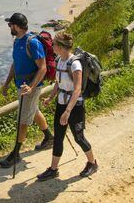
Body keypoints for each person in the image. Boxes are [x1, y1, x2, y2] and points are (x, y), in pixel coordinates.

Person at [37, 31, 98, 181]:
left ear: (61, 46)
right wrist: (51, 98)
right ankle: (53, 169)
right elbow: (58, 82)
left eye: (54, 44)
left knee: (79, 137)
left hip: (74, 106)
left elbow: (77, 89)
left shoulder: (75, 64)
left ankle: (92, 163)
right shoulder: (59, 60)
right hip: (61, 103)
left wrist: (67, 111)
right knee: (58, 137)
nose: (52, 46)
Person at [0, 13, 53, 168]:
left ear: (16, 26)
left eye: (10, 25)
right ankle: (49, 138)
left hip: (30, 87)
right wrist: (7, 83)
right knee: (33, 111)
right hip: (21, 86)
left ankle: (16, 154)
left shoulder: (33, 42)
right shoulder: (17, 41)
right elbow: (15, 64)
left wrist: (31, 87)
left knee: (23, 120)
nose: (9, 27)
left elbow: (42, 68)